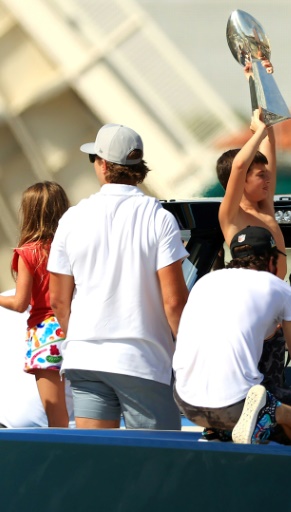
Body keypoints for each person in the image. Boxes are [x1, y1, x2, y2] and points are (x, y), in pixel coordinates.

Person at [48, 123, 189, 430]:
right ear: (138, 168)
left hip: (85, 359)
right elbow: (174, 301)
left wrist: (83, 336)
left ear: (102, 165)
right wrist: (191, 353)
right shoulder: (159, 218)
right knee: (158, 464)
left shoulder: (72, 218)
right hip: (142, 360)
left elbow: (57, 299)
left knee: (96, 463)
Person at [172, 226, 291, 447]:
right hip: (234, 403)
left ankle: (224, 430)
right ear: (270, 260)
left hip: (186, 403)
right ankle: (270, 413)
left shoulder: (205, 282)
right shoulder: (279, 288)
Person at [217, 59, 290, 399]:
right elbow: (242, 163)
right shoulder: (232, 217)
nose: (267, 178)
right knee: (245, 398)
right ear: (241, 182)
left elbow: (268, 149)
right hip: (248, 323)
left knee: (272, 396)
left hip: (274, 320)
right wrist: (256, 131)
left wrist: (260, 84)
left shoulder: (264, 210)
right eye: (259, 176)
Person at [0, 182, 71, 427]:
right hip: (77, 328)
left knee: (57, 418)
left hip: (45, 335)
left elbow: (20, 304)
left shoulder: (27, 253)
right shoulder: (73, 246)